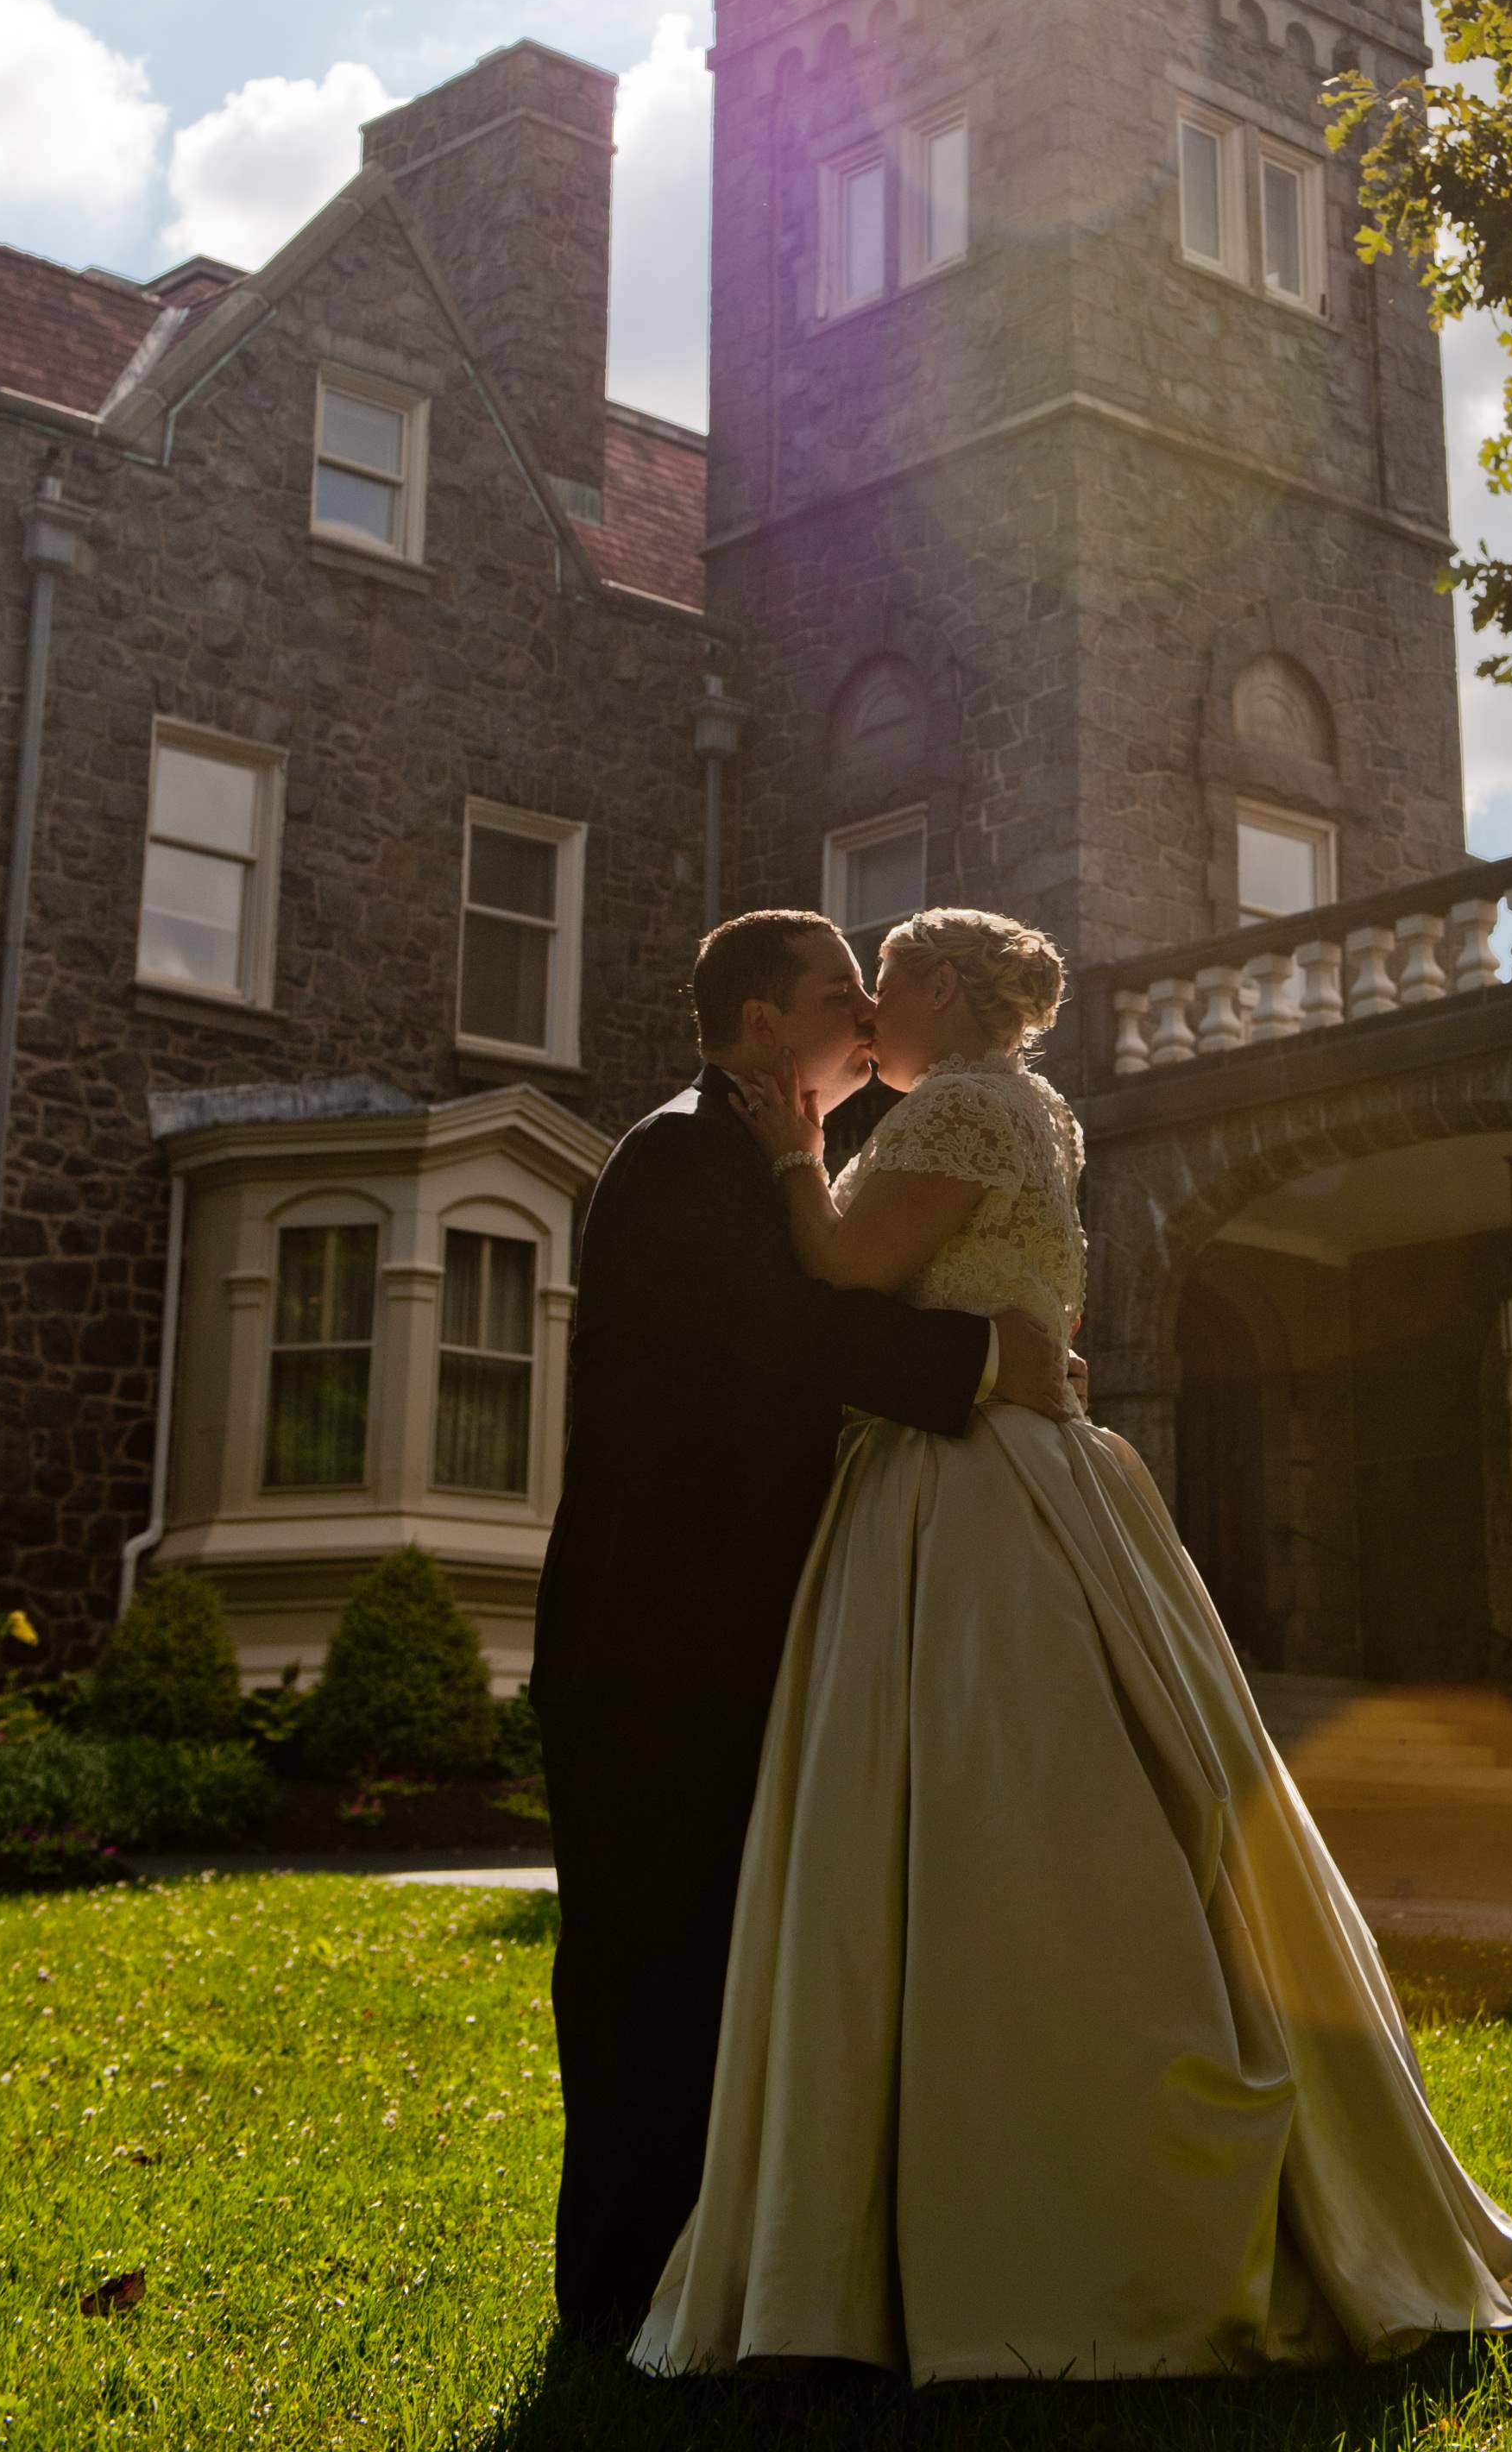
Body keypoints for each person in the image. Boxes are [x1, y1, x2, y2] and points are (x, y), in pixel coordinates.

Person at [633, 904, 1512, 2384]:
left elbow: (852, 1271)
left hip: (969, 1488)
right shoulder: (1028, 1107)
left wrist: (798, 1148)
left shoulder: (968, 1106)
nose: (866, 1014)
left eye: (886, 983)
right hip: (1019, 1458)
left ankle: (1039, 2205)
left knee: (996, 1805)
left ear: (939, 988)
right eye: (846, 995)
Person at [529, 907, 1073, 2340]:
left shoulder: (794, 1168)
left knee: (755, 1967)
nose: (868, 1015)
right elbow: (779, 1337)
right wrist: (983, 1358)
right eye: (843, 994)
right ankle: (624, 2294)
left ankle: (763, 2275)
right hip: (654, 1645)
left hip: (760, 1632)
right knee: (651, 1971)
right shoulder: (680, 1155)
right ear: (767, 1027)